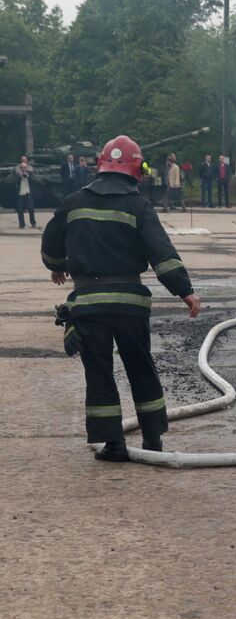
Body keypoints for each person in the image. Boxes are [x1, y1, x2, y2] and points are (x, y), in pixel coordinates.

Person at [40, 134, 202, 461]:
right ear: (135, 169)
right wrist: (184, 290)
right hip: (130, 304)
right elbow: (162, 254)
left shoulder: (73, 202)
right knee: (140, 367)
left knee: (99, 372)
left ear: (101, 166)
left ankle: (113, 444)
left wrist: (57, 267)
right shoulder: (138, 205)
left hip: (88, 304)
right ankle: (154, 438)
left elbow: (50, 243)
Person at [14, 155, 37, 228]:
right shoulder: (17, 172)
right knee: (20, 210)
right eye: (22, 167)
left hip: (28, 193)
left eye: (25, 167)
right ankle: (21, 224)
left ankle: (33, 223)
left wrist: (28, 175)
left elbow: (34, 181)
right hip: (21, 193)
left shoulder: (30, 172)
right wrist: (20, 176)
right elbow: (14, 181)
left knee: (31, 209)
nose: (24, 169)